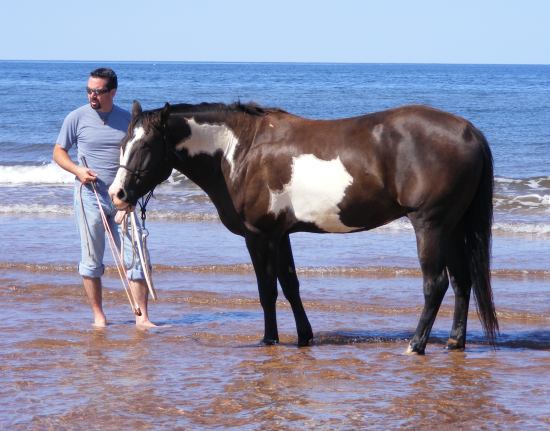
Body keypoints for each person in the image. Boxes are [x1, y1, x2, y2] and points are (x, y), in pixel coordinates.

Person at [53, 67, 156, 328]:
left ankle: (142, 319)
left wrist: (133, 194)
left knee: (137, 256)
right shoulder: (76, 118)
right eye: (89, 90)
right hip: (90, 196)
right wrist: (77, 170)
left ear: (112, 92)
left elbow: (141, 158)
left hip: (124, 198)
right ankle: (99, 317)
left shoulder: (128, 120)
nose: (92, 96)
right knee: (91, 260)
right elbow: (59, 152)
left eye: (98, 91)